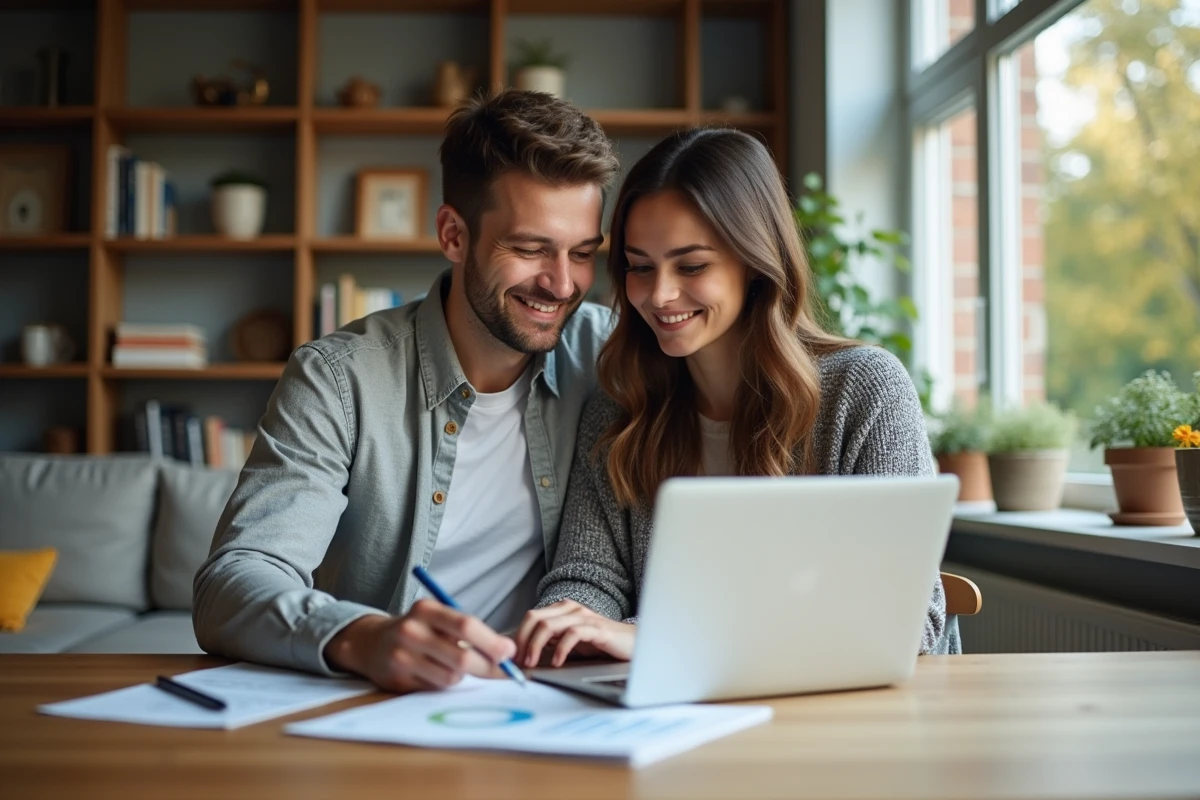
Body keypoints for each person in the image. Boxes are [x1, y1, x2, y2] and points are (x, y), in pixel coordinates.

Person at [192, 89, 620, 693]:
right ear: (452, 235)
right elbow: (233, 582)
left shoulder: (611, 356)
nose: (562, 283)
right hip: (388, 705)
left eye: (582, 254)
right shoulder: (337, 380)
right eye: (529, 249)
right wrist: (362, 637)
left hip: (550, 700)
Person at [514, 128, 957, 669]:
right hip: (680, 717)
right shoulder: (620, 408)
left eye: (692, 265)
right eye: (640, 266)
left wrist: (657, 637)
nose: (659, 295)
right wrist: (575, 621)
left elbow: (907, 617)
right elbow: (588, 577)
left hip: (841, 722)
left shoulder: (864, 392)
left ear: (754, 261)